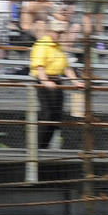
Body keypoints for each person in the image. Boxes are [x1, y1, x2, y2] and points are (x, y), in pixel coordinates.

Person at [29, 17, 81, 148]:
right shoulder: (42, 44)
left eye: (61, 33)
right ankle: (39, 146)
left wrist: (76, 82)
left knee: (56, 116)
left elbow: (66, 67)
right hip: (45, 82)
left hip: (56, 81)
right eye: (58, 32)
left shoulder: (58, 47)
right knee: (48, 114)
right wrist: (45, 80)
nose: (60, 35)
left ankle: (46, 145)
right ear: (51, 31)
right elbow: (39, 66)